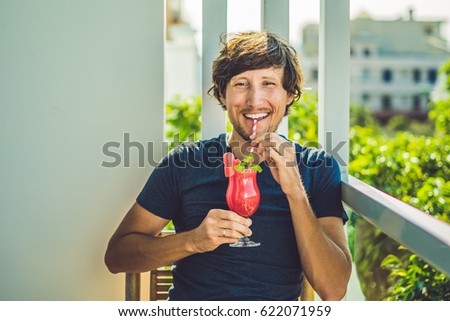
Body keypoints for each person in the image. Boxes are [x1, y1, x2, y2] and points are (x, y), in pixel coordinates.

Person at [105, 31, 352, 301]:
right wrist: (192, 241)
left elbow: (334, 289)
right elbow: (117, 257)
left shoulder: (316, 169)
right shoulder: (184, 163)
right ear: (222, 96)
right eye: (241, 84)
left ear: (289, 95)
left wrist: (296, 192)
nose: (254, 101)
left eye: (268, 83)